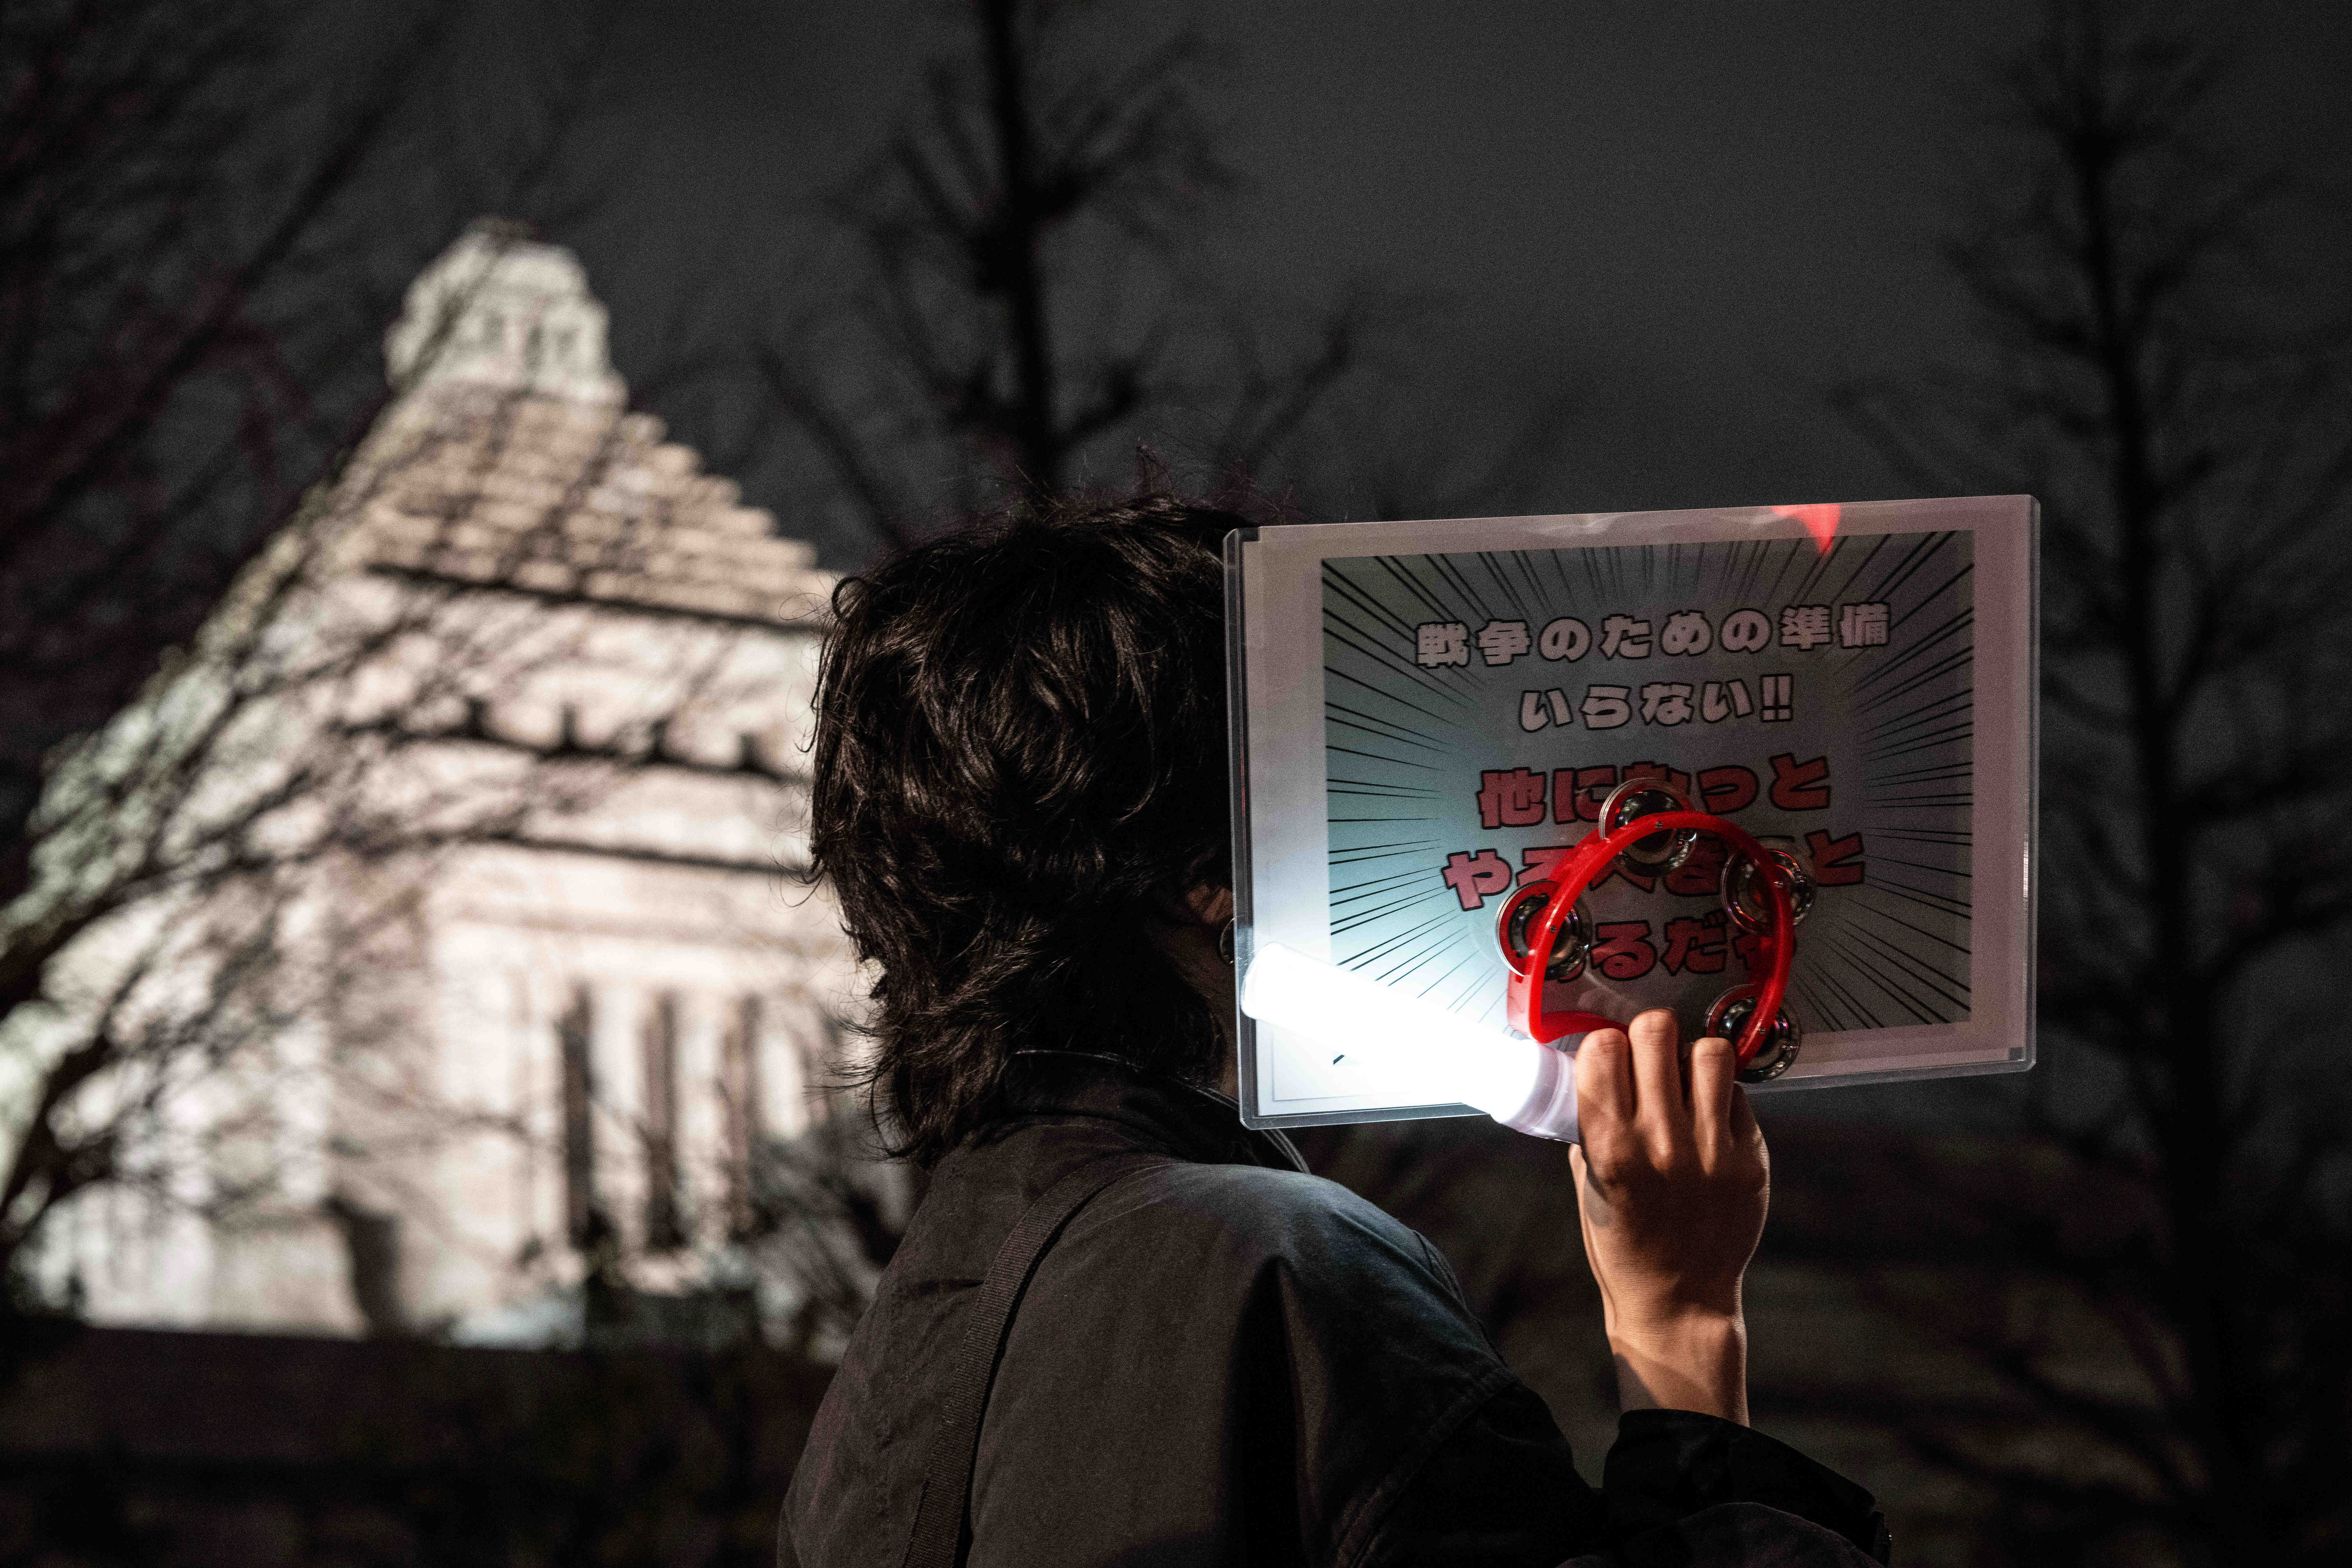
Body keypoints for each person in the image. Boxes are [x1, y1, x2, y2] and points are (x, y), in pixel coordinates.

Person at [778, 492, 1893, 1568]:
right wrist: (1683, 1324)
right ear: (1210, 868)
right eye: (1339, 768)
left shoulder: (901, 1347)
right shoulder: (1289, 1266)